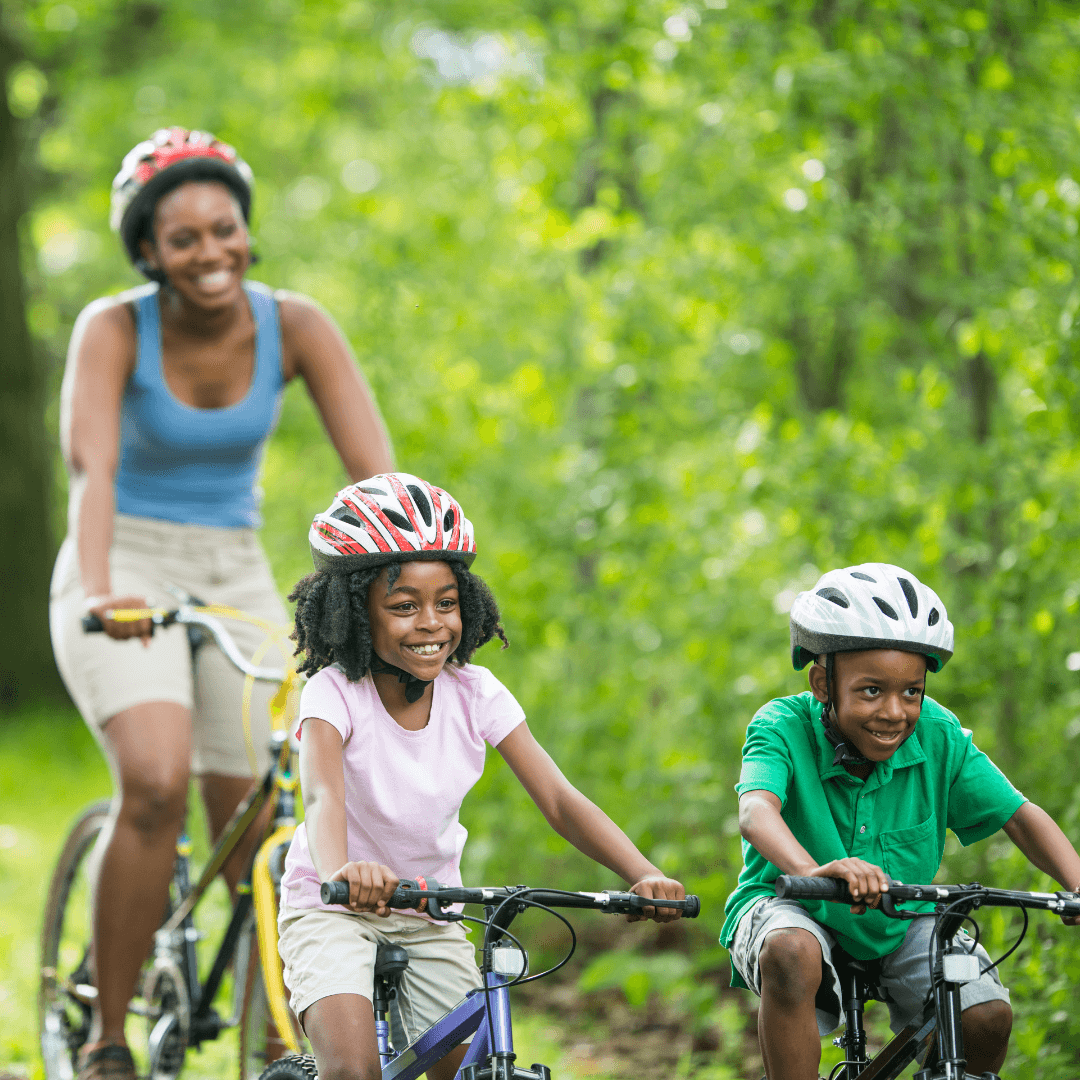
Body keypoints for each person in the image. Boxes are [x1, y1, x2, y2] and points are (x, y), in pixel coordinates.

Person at [49, 127, 394, 1080]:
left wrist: (405, 588)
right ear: (148, 251)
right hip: (121, 556)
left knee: (262, 813)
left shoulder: (297, 325)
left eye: (224, 229)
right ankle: (106, 1037)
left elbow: (377, 478)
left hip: (233, 564)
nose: (211, 252)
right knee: (157, 780)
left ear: (246, 229)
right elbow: (91, 471)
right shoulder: (114, 328)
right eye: (184, 238)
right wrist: (103, 586)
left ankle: (275, 1040)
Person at [277, 473, 687, 1080]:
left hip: (430, 911)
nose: (431, 623)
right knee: (353, 1071)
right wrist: (342, 873)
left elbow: (558, 799)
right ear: (354, 612)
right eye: (404, 606)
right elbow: (321, 795)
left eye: (445, 603)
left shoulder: (475, 692)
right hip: (332, 906)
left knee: (466, 1068)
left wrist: (641, 872)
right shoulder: (332, 693)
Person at [720, 563, 1080, 1080]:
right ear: (823, 683)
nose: (894, 712)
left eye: (912, 691)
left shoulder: (938, 734)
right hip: (789, 903)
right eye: (871, 691)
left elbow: (1019, 816)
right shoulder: (780, 725)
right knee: (791, 951)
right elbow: (756, 811)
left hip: (900, 916)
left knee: (986, 1016)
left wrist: (1075, 882)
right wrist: (813, 870)